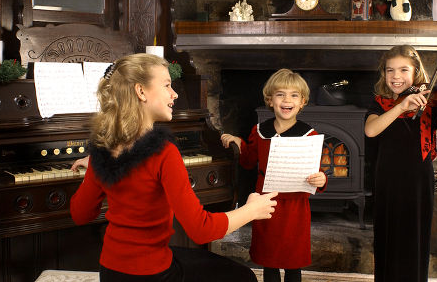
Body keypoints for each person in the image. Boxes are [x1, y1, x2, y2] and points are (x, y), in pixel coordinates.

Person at [70, 53, 278, 282]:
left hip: (111, 272)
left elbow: (80, 214)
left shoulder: (102, 149)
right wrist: (252, 210)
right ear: (141, 92)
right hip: (152, 274)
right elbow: (201, 229)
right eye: (167, 85)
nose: (175, 94)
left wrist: (94, 169)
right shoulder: (163, 152)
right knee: (243, 276)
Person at [364, 45, 437, 282]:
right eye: (390, 70)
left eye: (403, 70)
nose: (396, 76)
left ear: (416, 72)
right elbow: (371, 130)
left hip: (419, 182)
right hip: (387, 181)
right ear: (383, 74)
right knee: (388, 238)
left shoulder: (430, 104)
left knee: (415, 238)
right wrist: (401, 106)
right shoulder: (380, 103)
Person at [220, 68, 327, 282]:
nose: (287, 100)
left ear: (303, 102)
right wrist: (239, 142)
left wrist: (321, 179)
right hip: (266, 204)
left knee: (292, 261)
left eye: (294, 95)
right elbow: (249, 160)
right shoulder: (259, 130)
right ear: (270, 100)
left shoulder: (310, 135)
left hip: (295, 208)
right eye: (281, 94)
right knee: (269, 258)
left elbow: (317, 170)